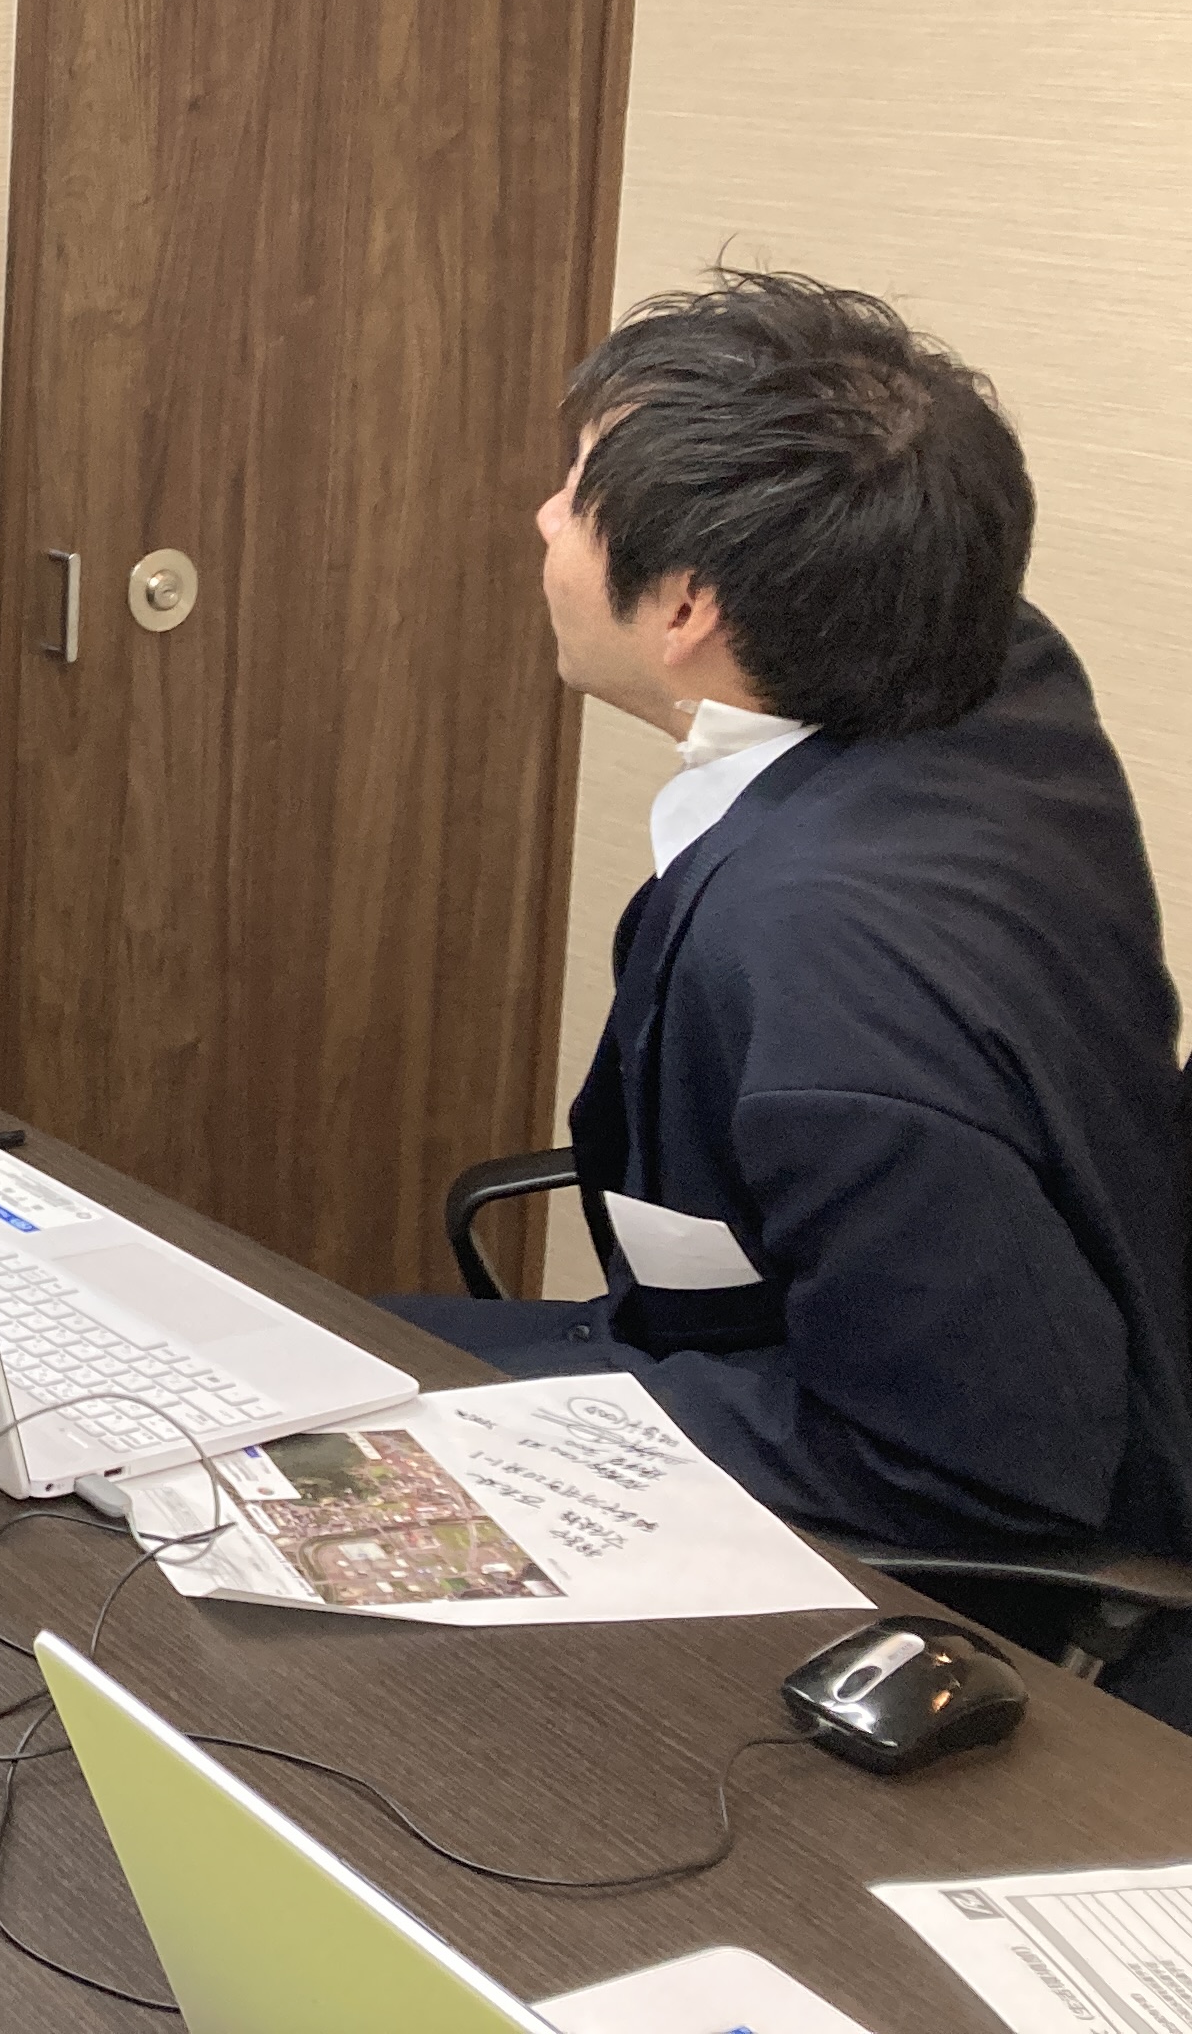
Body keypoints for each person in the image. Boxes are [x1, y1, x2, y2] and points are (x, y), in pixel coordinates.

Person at [387, 271, 1192, 1594]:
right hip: (805, 1329)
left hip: (917, 1516)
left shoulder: (828, 968)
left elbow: (971, 1465)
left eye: (577, 495)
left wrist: (521, 1441)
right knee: (309, 1349)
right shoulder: (981, 658)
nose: (542, 517)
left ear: (690, 604)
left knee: (315, 1405)